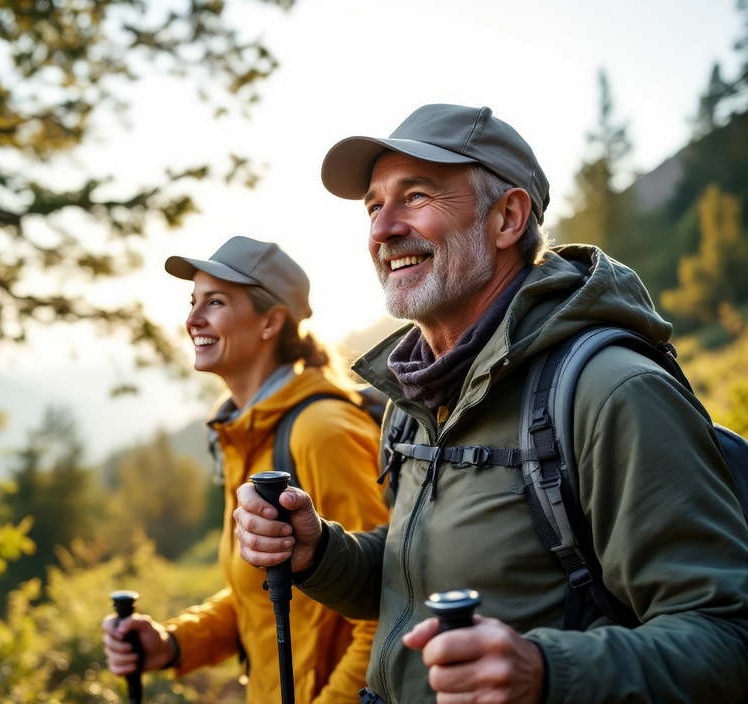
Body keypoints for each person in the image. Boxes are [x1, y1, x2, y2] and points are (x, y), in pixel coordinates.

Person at [233, 104, 748, 703]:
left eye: (416, 196)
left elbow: (725, 635)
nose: (381, 229)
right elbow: (415, 581)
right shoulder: (414, 394)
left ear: (507, 218)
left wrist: (544, 670)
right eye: (374, 206)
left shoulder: (611, 391)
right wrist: (318, 552)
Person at [102, 235, 389, 703]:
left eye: (215, 302)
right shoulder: (247, 430)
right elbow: (258, 595)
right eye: (193, 301)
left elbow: (386, 606)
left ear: (271, 321)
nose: (192, 319)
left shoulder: (321, 432)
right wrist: (173, 644)